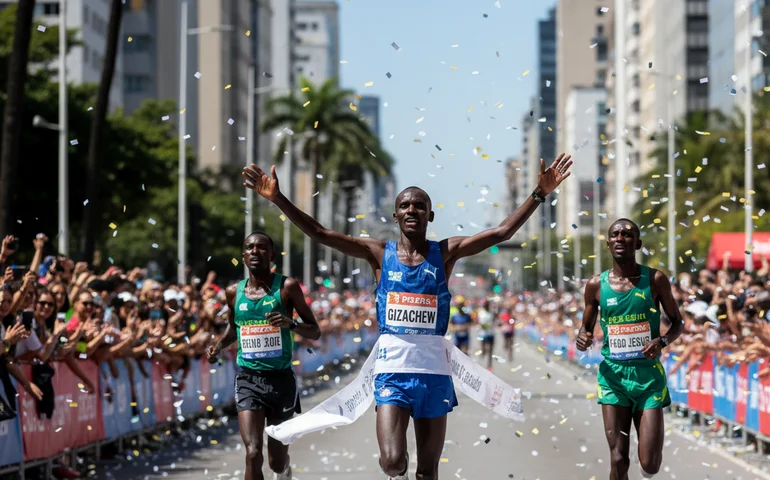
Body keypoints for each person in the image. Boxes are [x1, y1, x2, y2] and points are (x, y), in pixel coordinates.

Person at [243, 153, 571, 480]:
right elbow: (320, 234)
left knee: (427, 472)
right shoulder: (378, 254)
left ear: (430, 215)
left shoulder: (445, 252)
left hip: (433, 373)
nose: (411, 210)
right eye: (405, 206)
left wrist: (539, 194)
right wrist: (279, 199)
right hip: (391, 371)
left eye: (418, 206)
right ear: (395, 215)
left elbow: (501, 233)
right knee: (392, 461)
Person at [205, 232, 321, 480]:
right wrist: (217, 346)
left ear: (272, 255)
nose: (255, 251)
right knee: (253, 452)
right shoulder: (233, 292)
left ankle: (284, 470)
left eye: (261, 247)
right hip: (249, 380)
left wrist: (291, 324)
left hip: (281, 381)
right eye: (250, 247)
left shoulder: (287, 287)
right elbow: (233, 327)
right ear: (243, 255)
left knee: (276, 462)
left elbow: (315, 330)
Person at [575, 218, 684, 480]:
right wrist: (582, 337)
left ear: (638, 243)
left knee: (650, 464)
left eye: (627, 234)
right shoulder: (595, 286)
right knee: (618, 458)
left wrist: (662, 341)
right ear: (609, 243)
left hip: (648, 379)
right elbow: (585, 327)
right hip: (613, 378)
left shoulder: (656, 280)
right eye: (615, 235)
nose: (620, 238)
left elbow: (678, 322)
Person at [476, 299, 495, 370]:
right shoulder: (481, 313)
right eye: (486, 304)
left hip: (491, 333)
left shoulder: (491, 313)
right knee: (484, 349)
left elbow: (494, 321)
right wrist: (482, 325)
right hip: (483, 334)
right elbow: (478, 322)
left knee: (490, 350)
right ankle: (482, 362)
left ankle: (489, 365)